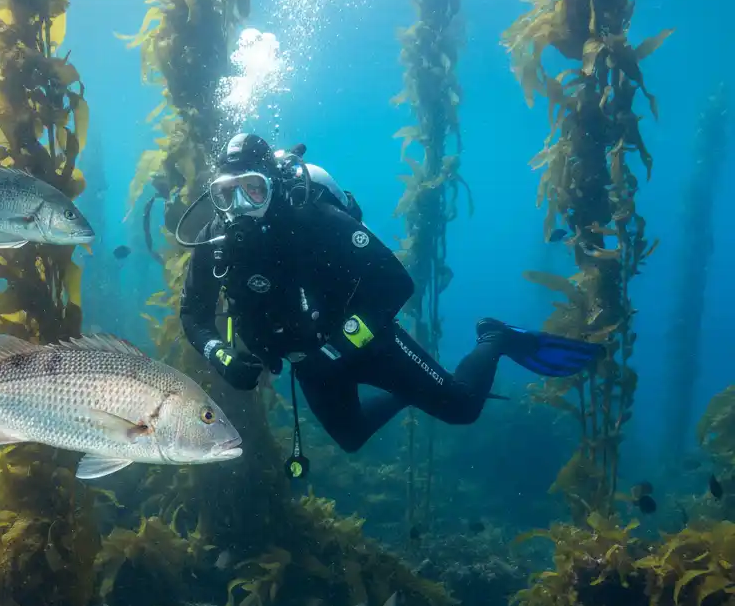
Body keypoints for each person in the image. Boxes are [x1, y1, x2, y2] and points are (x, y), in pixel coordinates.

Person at [179, 133, 603, 457]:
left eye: (253, 189)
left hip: (367, 339)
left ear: (272, 184)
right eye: (226, 192)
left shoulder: (314, 217)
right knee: (351, 437)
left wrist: (343, 345)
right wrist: (221, 356)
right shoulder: (214, 238)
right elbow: (194, 315)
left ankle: (495, 337)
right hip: (308, 363)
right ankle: (407, 393)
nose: (239, 205)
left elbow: (395, 282)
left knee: (462, 407)